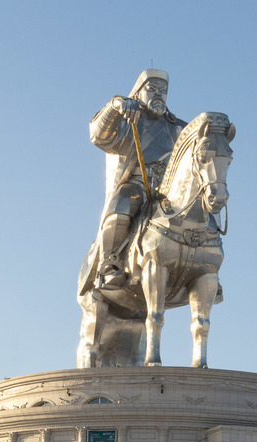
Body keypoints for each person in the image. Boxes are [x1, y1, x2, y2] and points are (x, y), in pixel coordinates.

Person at [88, 68, 187, 290]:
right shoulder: (128, 119)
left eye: (163, 90)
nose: (159, 94)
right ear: (139, 92)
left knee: (201, 209)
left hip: (170, 191)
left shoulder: (178, 127)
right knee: (124, 203)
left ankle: (203, 267)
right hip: (138, 184)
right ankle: (109, 263)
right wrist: (116, 106)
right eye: (152, 89)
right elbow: (98, 135)